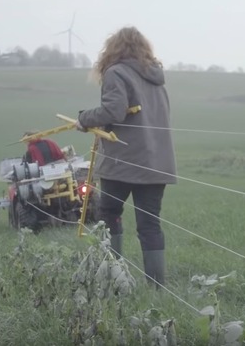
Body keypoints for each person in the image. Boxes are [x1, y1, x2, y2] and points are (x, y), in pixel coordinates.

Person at [76, 26, 177, 287]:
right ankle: (156, 289)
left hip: (122, 161)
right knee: (150, 225)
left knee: (109, 214)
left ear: (113, 49)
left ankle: (112, 278)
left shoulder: (115, 72)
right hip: (156, 164)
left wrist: (84, 119)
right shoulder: (156, 78)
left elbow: (114, 111)